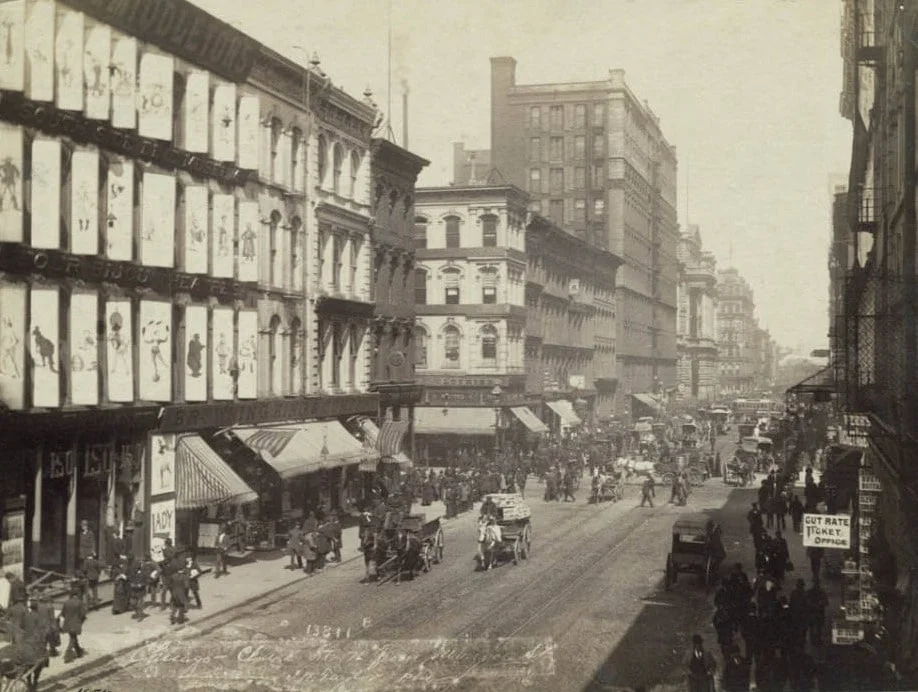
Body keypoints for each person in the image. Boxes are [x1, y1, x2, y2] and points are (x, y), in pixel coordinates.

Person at [59, 587, 87, 661]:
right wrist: (81, 621)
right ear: (77, 594)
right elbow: (83, 614)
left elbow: (63, 614)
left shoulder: (66, 602)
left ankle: (79, 651)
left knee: (73, 637)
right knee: (72, 639)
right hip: (75, 623)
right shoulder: (79, 602)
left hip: (67, 624)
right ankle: (68, 655)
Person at [806, 581, 828, 648]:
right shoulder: (821, 593)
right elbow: (826, 602)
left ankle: (815, 639)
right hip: (816, 613)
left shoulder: (809, 592)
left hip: (815, 613)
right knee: (817, 627)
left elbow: (826, 602)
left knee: (815, 627)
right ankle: (816, 639)